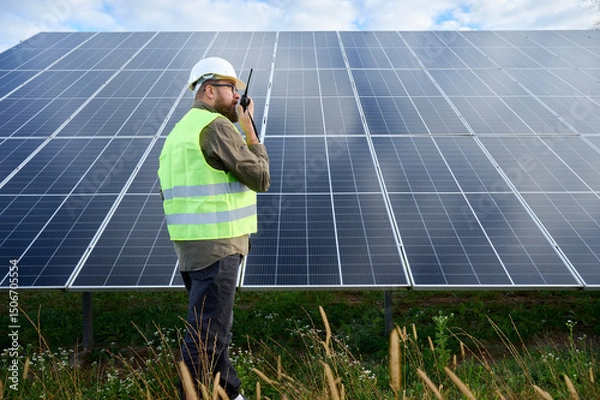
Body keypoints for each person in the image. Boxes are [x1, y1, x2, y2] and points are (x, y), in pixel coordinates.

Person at [157, 57, 270, 400]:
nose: (237, 96)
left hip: (192, 248)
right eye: (231, 88)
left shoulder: (179, 132)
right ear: (209, 89)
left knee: (211, 329)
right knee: (208, 336)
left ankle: (231, 394)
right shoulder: (217, 128)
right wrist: (248, 129)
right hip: (218, 247)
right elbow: (260, 177)